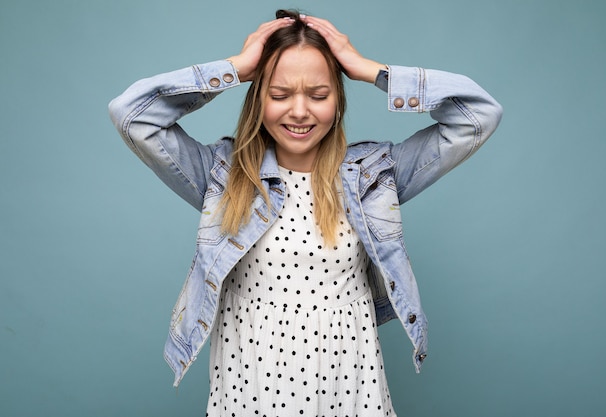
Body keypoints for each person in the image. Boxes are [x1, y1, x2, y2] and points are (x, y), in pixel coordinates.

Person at [109, 9, 502, 416]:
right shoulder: (223, 178)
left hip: (350, 397)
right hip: (249, 398)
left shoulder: (373, 178)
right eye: (279, 95)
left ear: (338, 98)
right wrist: (235, 69)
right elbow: (132, 115)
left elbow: (477, 116)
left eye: (318, 95)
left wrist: (368, 69)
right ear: (258, 98)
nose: (300, 112)